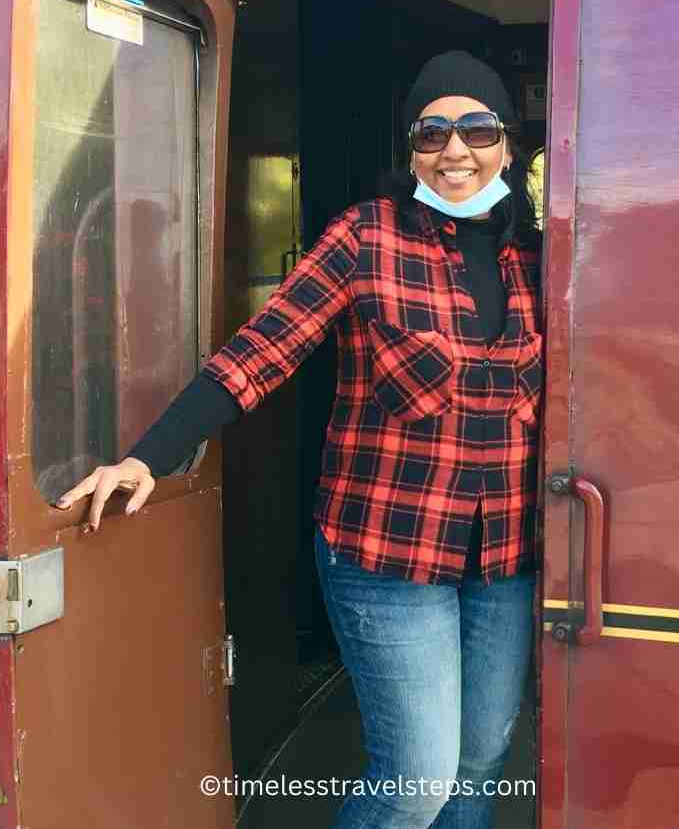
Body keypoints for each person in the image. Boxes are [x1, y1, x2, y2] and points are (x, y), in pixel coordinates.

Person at [56, 50, 543, 828]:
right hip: (386, 554)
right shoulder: (366, 238)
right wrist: (149, 454)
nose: (456, 150)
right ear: (410, 149)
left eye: (477, 128)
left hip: (505, 559)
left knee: (483, 762)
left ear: (507, 145)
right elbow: (263, 350)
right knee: (416, 781)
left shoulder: (538, 258)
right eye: (432, 132)